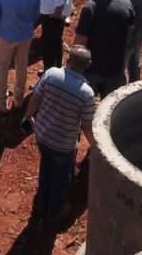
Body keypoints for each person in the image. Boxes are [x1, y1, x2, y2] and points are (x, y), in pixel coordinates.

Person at [22, 45, 96, 225]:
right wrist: (95, 144)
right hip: (64, 144)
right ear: (88, 65)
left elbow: (35, 98)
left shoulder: (51, 75)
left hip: (42, 135)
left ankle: (41, 203)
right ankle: (54, 211)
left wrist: (27, 117)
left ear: (68, 61)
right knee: (61, 179)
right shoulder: (86, 94)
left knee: (46, 167)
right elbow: (86, 125)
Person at [73, 0, 135, 98]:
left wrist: (74, 65)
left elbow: (81, 41)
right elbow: (129, 34)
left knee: (83, 105)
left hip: (92, 70)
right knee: (110, 109)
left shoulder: (91, 8)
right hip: (116, 69)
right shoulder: (126, 3)